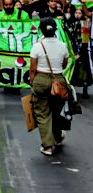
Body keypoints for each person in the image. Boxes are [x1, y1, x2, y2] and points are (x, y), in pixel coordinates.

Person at [29, 17, 69, 156]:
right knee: (56, 112)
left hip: (41, 79)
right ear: (55, 30)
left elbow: (33, 68)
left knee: (43, 114)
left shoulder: (37, 46)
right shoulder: (63, 45)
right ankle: (57, 137)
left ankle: (47, 146)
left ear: (41, 30)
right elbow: (64, 65)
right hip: (59, 81)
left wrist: (32, 83)